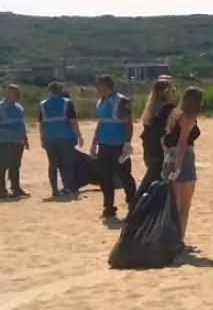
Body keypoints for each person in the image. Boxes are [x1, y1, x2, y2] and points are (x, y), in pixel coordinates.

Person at [92, 74, 137, 220]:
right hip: (104, 144)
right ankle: (109, 207)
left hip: (118, 145)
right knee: (104, 178)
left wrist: (127, 143)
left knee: (125, 176)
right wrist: (94, 142)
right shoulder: (101, 101)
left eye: (99, 86)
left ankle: (132, 205)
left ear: (106, 86)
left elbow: (128, 124)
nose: (97, 89)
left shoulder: (121, 101)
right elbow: (101, 123)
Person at [162, 86, 204, 244]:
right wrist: (178, 167)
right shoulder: (188, 117)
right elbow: (182, 143)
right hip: (184, 159)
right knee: (183, 208)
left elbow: (165, 140)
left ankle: (169, 239)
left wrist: (168, 159)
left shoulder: (174, 114)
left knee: (172, 205)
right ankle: (179, 240)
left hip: (169, 159)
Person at [37, 81, 82, 198]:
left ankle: (54, 190)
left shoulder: (43, 104)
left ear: (49, 91)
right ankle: (67, 188)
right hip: (66, 137)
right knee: (67, 164)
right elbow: (73, 122)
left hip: (49, 138)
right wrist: (79, 135)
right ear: (60, 90)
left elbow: (41, 124)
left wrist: (42, 139)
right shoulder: (67, 103)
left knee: (53, 164)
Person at [139, 77, 177, 191]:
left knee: (153, 178)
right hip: (160, 150)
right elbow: (166, 133)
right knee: (159, 182)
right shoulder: (168, 108)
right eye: (172, 89)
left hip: (149, 148)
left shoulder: (151, 108)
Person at [0, 84, 29, 198]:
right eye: (9, 92)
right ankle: (2, 191)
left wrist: (25, 138)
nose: (11, 95)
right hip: (4, 141)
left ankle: (16, 188)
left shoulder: (19, 107)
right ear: (5, 93)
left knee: (15, 165)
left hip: (18, 141)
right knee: (2, 166)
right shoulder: (1, 107)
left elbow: (21, 124)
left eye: (14, 93)